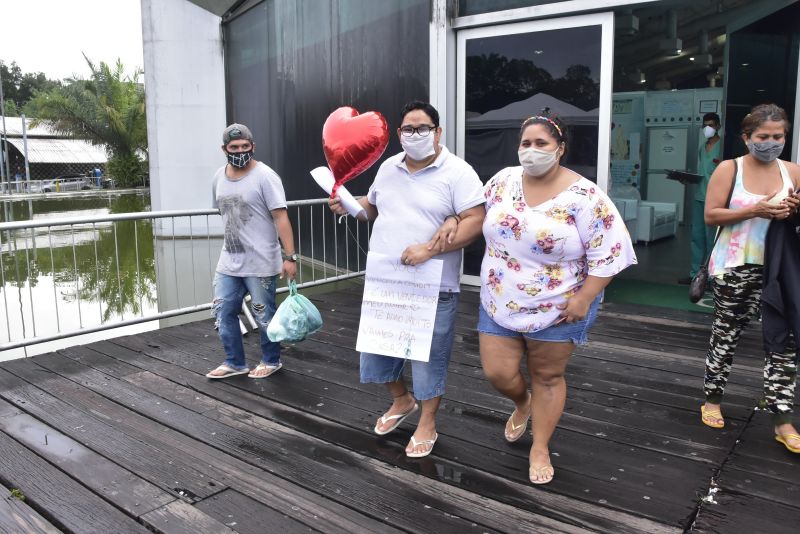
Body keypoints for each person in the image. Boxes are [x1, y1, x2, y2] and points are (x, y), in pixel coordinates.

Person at [455, 114, 637, 484]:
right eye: (526, 143)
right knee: (498, 373)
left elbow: (611, 253)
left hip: (560, 306)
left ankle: (540, 446)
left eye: (542, 144)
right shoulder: (503, 181)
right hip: (500, 300)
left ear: (560, 149)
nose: (532, 151)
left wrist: (585, 298)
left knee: (548, 376)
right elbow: (475, 215)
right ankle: (523, 403)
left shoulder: (586, 197)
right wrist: (449, 222)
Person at [328, 101, 485, 458]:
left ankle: (428, 421)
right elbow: (374, 206)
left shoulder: (457, 172)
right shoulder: (388, 167)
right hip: (387, 277)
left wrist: (430, 250)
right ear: (399, 135)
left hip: (434, 283)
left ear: (438, 131)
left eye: (423, 128)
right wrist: (350, 204)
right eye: (408, 130)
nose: (415, 135)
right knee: (379, 349)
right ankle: (402, 400)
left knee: (428, 357)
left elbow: (475, 220)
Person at [700, 104, 800, 454]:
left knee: (784, 342)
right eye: (763, 137)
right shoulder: (730, 169)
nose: (771, 143)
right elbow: (711, 215)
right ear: (746, 137)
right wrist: (754, 210)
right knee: (726, 335)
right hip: (736, 265)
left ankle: (782, 417)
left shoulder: (793, 171)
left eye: (778, 136)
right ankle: (712, 398)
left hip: (780, 268)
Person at [206, 123, 298, 380]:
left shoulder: (266, 176)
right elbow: (221, 211)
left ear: (253, 147)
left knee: (263, 314)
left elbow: (280, 216)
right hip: (229, 260)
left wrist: (290, 257)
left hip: (261, 261)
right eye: (234, 147)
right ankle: (234, 362)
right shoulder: (218, 177)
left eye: (245, 146)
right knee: (222, 311)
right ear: (224, 149)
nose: (239, 151)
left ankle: (271, 359)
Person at [680, 113, 723, 285]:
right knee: (697, 237)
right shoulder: (701, 147)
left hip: (715, 200)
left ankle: (711, 277)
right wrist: (688, 179)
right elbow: (703, 173)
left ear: (718, 126)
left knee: (711, 239)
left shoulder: (722, 146)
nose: (708, 128)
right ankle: (695, 275)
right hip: (699, 197)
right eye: (705, 125)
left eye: (711, 125)